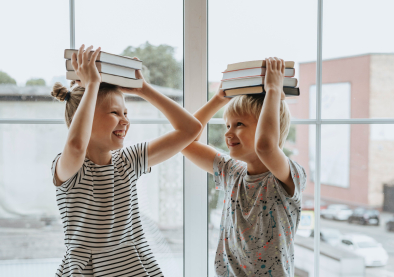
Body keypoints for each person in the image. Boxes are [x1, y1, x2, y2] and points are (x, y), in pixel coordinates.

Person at [50, 44, 202, 277]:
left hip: (136, 266)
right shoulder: (70, 168)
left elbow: (191, 129)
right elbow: (76, 145)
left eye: (126, 113)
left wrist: (143, 89)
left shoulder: (129, 160)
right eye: (114, 113)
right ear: (84, 118)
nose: (125, 121)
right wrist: (91, 85)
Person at [181, 57, 306, 276]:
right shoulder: (232, 172)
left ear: (270, 127)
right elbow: (184, 141)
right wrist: (218, 100)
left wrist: (274, 90)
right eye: (227, 125)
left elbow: (266, 147)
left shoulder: (286, 175)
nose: (228, 133)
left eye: (239, 124)